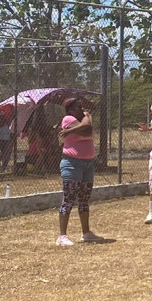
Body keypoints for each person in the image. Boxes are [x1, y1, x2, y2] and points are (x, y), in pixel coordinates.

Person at [56, 97, 102, 246]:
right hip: (72, 164)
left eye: (82, 107)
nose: (82, 110)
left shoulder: (83, 119)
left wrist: (72, 130)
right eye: (78, 107)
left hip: (88, 164)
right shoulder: (68, 119)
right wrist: (87, 118)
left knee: (84, 199)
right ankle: (62, 236)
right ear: (70, 110)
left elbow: (88, 129)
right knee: (69, 199)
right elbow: (87, 128)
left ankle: (86, 233)